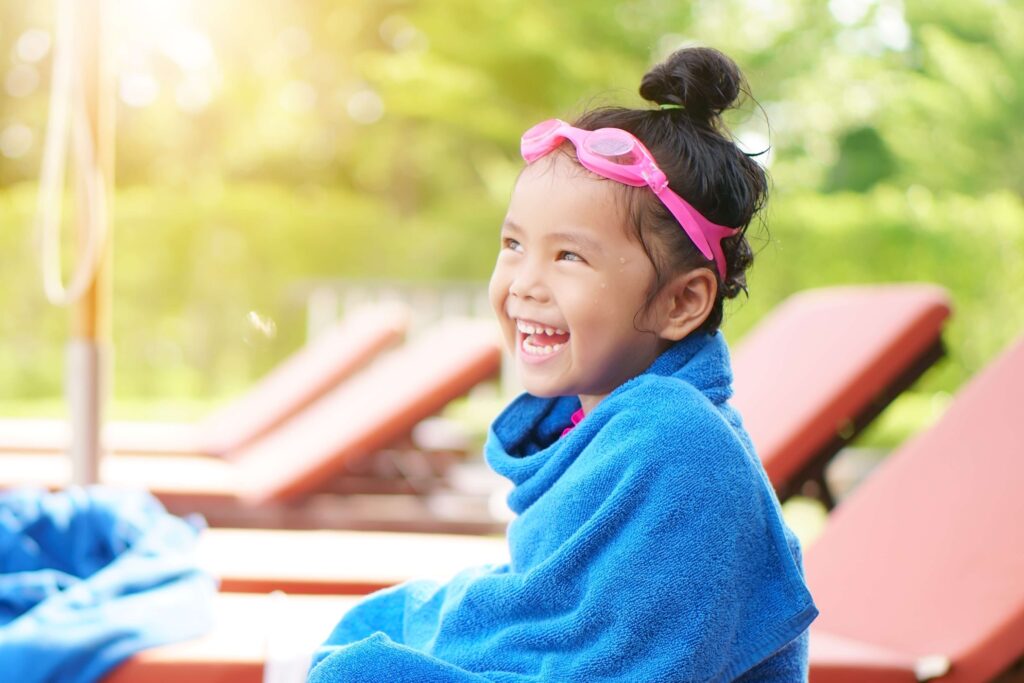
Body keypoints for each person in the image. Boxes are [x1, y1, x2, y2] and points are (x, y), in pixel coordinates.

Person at [308, 46, 818, 682]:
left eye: (569, 257)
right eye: (514, 244)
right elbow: (554, 605)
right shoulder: (600, 424)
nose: (524, 282)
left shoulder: (681, 447)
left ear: (681, 301)